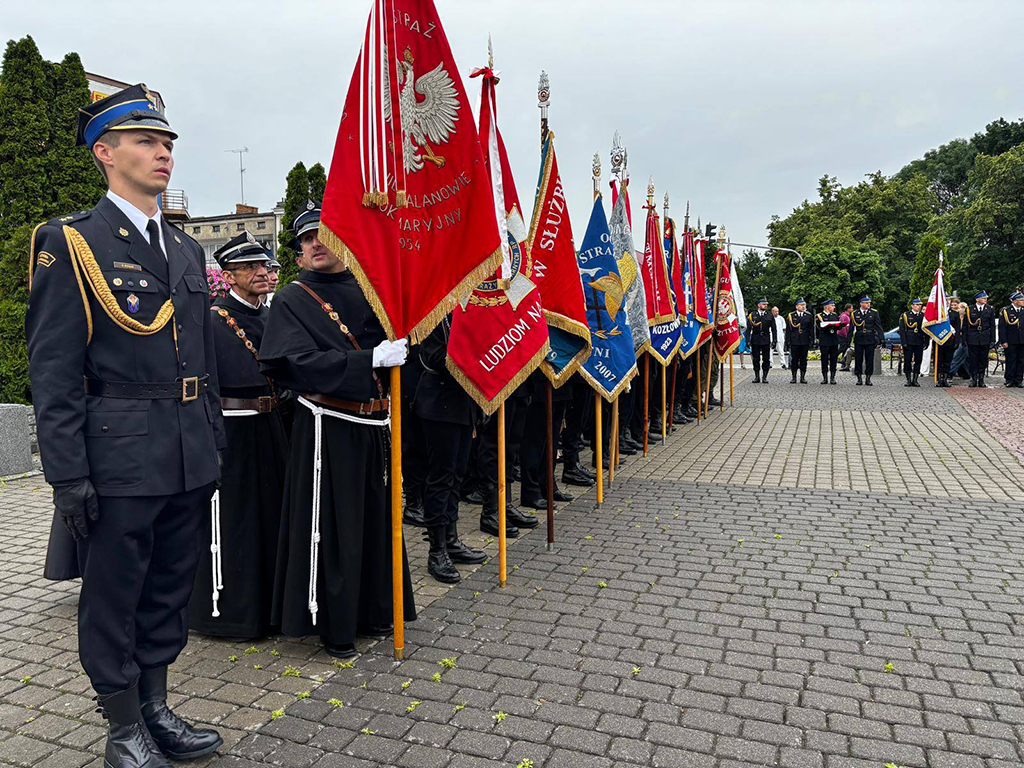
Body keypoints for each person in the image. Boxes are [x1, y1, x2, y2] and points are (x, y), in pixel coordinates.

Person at [26, 84, 224, 766]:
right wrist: (67, 475)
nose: (163, 152)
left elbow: (203, 358)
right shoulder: (71, 242)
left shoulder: (186, 249)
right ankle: (122, 728)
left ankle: (156, 709)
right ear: (105, 153)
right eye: (146, 141)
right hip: (118, 456)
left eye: (167, 142)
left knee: (169, 587)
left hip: (187, 451)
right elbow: (53, 371)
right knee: (115, 596)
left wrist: (213, 441)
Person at [258, 201, 415, 659]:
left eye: (323, 234)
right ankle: (336, 624)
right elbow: (297, 364)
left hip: (377, 421)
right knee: (334, 526)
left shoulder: (375, 289)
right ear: (300, 252)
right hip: (328, 425)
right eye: (307, 239)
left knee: (377, 519)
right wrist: (368, 360)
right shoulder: (292, 299)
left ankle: (376, 609)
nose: (315, 244)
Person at [189, 232, 288, 640]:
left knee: (272, 520)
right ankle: (232, 616)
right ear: (228, 276)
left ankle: (272, 610)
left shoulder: (274, 316)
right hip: (231, 432)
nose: (262, 272)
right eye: (250, 267)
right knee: (235, 524)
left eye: (265, 265)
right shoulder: (212, 320)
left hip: (272, 428)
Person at [415, 314, 486, 583]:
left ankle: (452, 539)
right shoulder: (434, 314)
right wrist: (473, 354)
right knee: (441, 478)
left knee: (457, 475)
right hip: (439, 402)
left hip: (463, 403)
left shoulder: (467, 312)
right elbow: (432, 357)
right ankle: (437, 550)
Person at [964, 290, 995, 387]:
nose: (985, 300)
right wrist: (964, 339)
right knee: (973, 359)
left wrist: (992, 340)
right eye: (983, 298)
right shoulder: (969, 309)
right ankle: (973, 378)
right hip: (973, 336)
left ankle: (981, 379)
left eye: (986, 298)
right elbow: (965, 326)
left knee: (983, 359)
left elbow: (992, 325)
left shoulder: (989, 309)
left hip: (985, 336)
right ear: (977, 299)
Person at [851, 296, 884, 385]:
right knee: (858, 359)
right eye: (866, 303)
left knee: (869, 359)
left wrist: (881, 339)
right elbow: (851, 328)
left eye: (869, 303)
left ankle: (868, 377)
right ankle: (859, 377)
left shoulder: (874, 313)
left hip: (870, 338)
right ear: (861, 304)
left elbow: (878, 326)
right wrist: (848, 340)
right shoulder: (855, 314)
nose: (868, 304)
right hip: (859, 338)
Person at [745, 298, 776, 383]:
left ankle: (765, 377)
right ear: (759, 305)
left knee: (766, 359)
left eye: (766, 304)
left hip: (766, 339)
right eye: (763, 304)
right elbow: (748, 329)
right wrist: (747, 340)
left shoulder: (769, 315)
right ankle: (757, 376)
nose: (765, 306)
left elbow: (774, 329)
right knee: (756, 359)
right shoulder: (752, 315)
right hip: (755, 339)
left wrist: (774, 340)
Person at [998, 291, 1024, 387]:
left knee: (1021, 360)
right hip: (1011, 340)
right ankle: (1009, 379)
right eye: (1021, 300)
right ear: (1014, 301)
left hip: (1022, 340)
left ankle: (1019, 379)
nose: (1023, 301)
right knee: (1011, 360)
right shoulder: (1006, 311)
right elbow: (1002, 328)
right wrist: (1003, 341)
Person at [898, 298, 926, 387]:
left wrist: (926, 341)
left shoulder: (923, 316)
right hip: (909, 341)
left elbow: (926, 330)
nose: (919, 306)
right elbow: (902, 330)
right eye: (917, 305)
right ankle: (908, 379)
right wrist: (904, 342)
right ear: (912, 306)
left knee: (918, 360)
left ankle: (915, 379)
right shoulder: (906, 315)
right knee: (908, 360)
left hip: (919, 341)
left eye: (920, 305)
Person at [785, 299, 813, 384]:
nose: (803, 306)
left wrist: (812, 340)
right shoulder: (791, 315)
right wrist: (787, 341)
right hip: (795, 340)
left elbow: (811, 329)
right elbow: (788, 330)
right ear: (796, 306)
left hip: (805, 340)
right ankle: (794, 377)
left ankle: (802, 377)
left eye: (804, 305)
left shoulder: (808, 316)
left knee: (803, 359)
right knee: (794, 359)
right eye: (801, 305)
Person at [935, 296, 959, 388]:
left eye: (948, 300)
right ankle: (939, 379)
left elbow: (957, 328)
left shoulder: (954, 314)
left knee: (948, 360)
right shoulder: (937, 313)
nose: (947, 301)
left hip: (950, 340)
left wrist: (957, 341)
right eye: (945, 299)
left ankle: (945, 379)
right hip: (939, 340)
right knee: (939, 360)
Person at [816, 299, 841, 384]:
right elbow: (819, 327)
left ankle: (832, 377)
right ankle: (825, 377)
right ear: (827, 307)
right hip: (825, 340)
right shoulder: (819, 316)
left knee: (834, 359)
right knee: (824, 359)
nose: (834, 307)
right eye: (832, 306)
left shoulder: (834, 315)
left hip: (833, 340)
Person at [838, 303, 854, 370]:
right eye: (852, 308)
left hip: (847, 335)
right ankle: (831, 358)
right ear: (848, 309)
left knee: (845, 349)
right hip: (843, 335)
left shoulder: (848, 316)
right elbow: (843, 327)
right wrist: (845, 335)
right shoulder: (844, 316)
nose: (852, 309)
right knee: (842, 348)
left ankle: (843, 362)